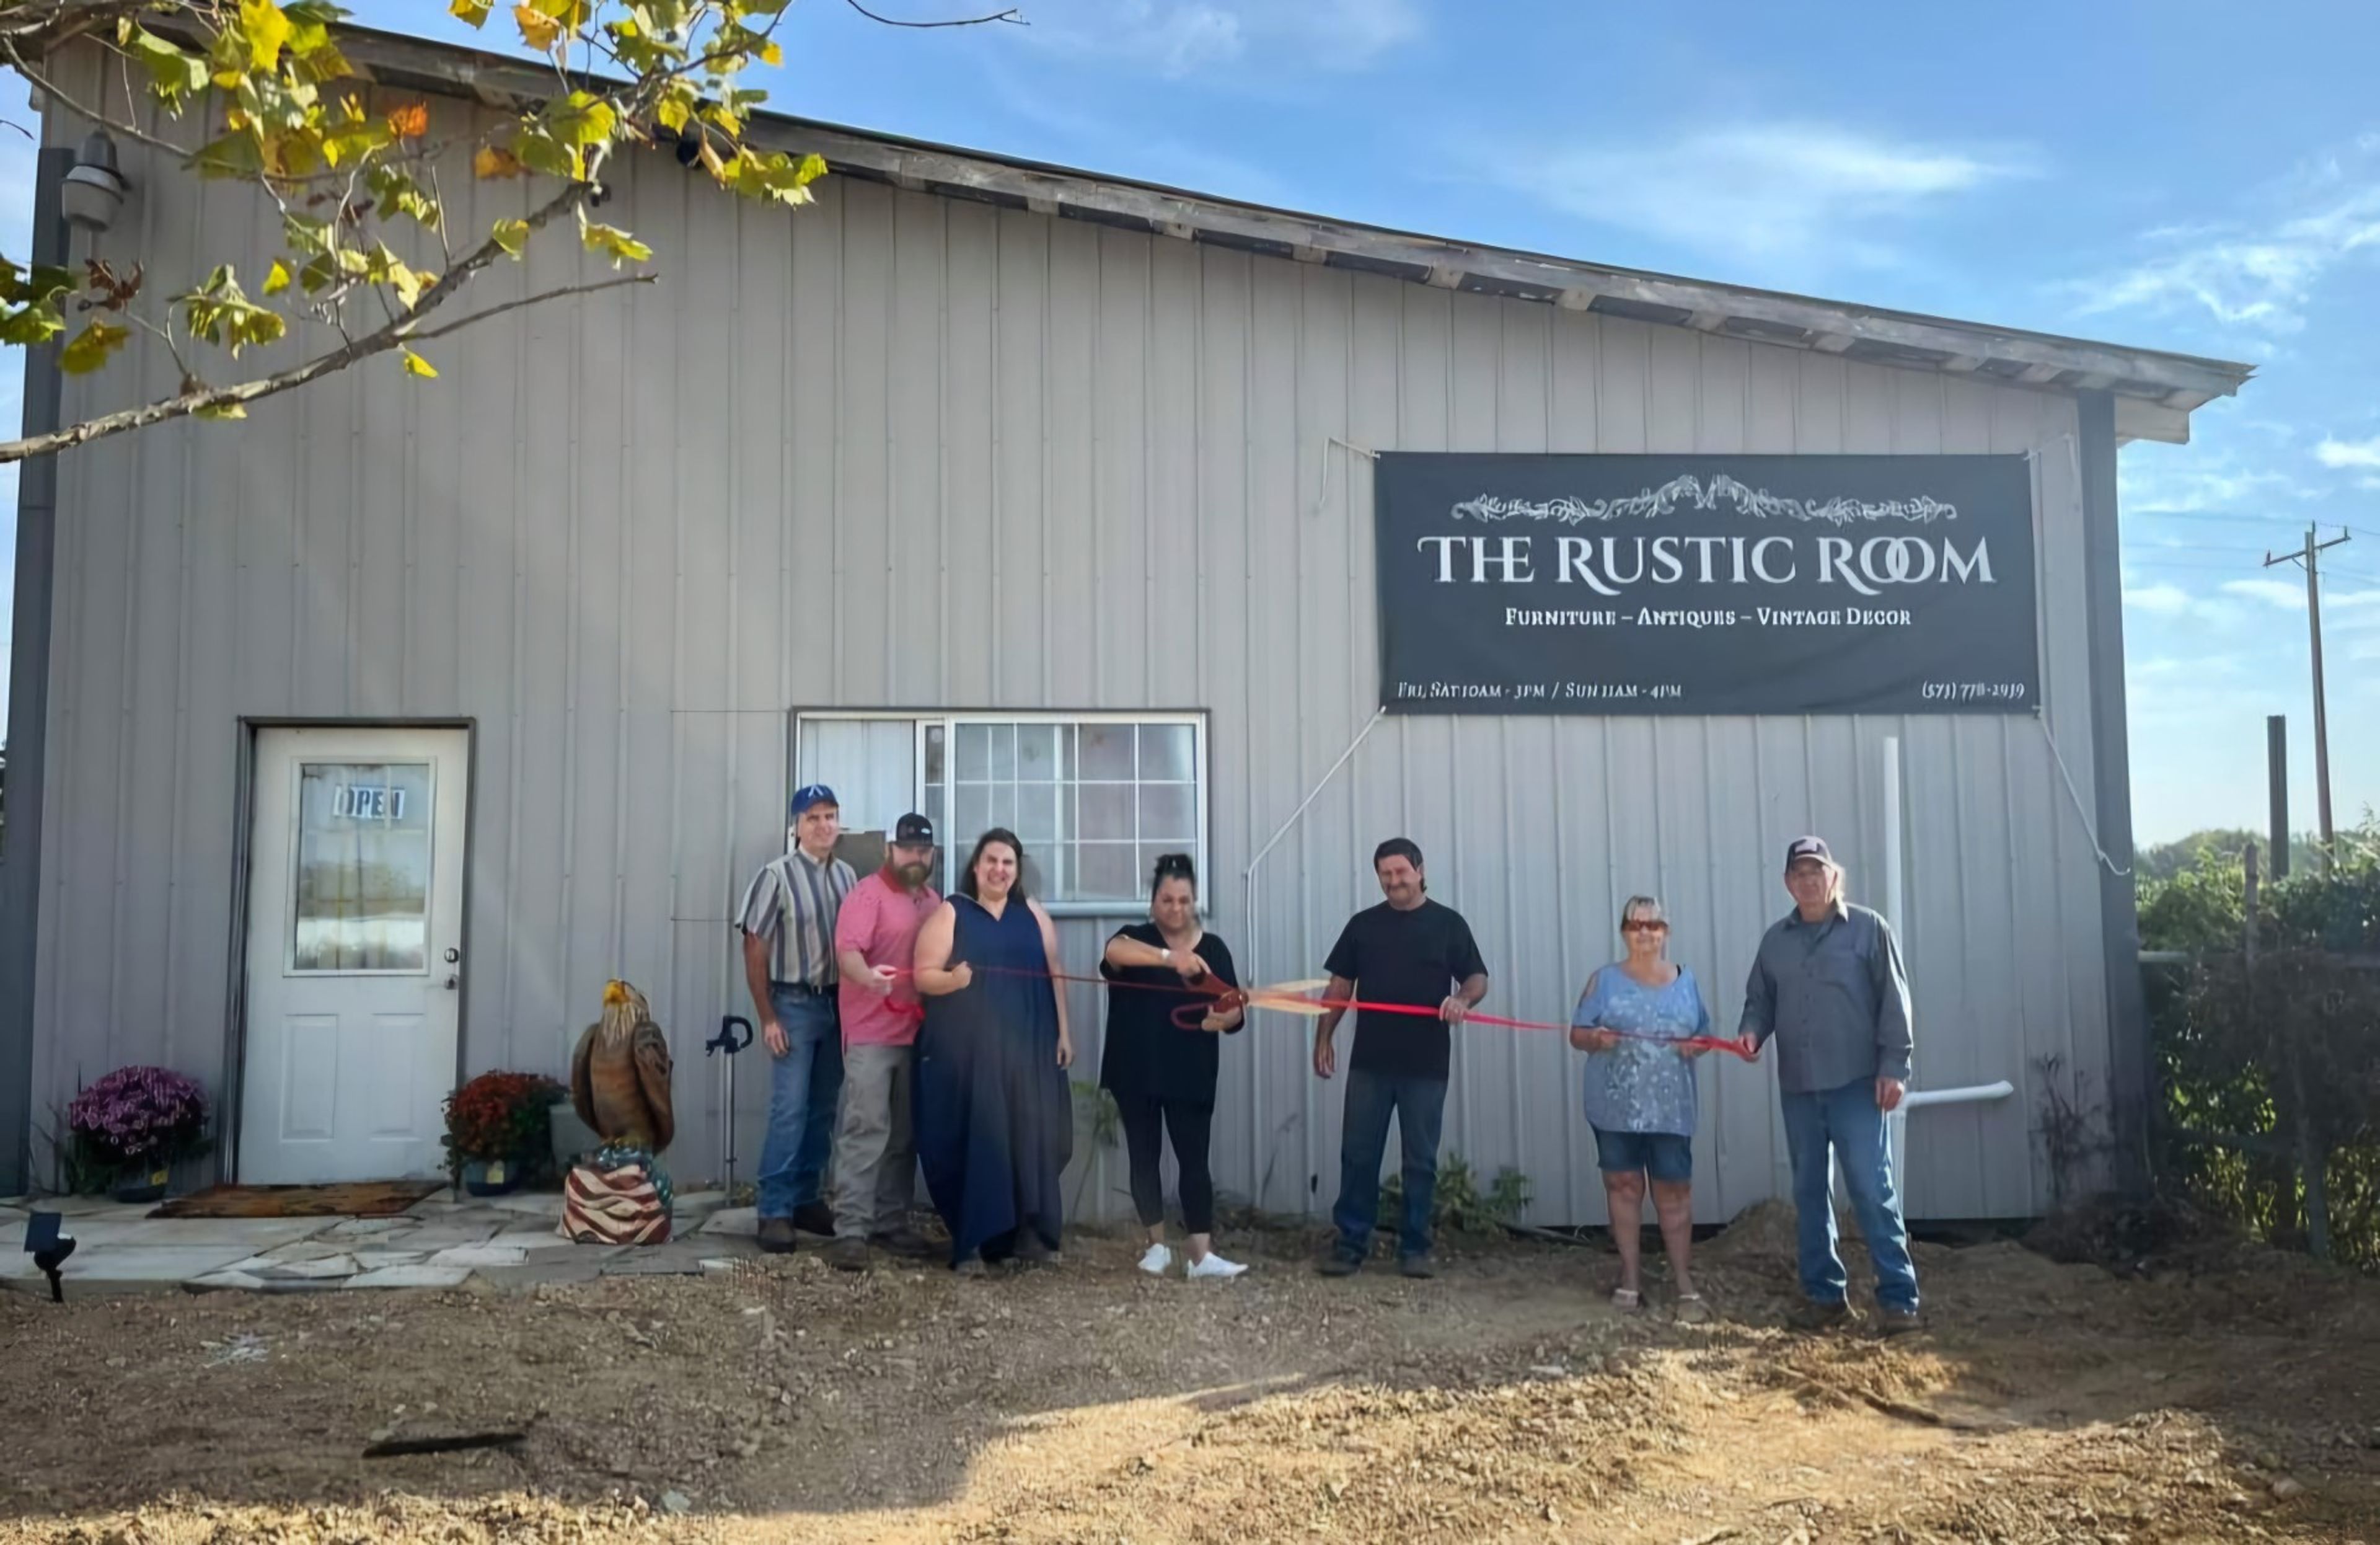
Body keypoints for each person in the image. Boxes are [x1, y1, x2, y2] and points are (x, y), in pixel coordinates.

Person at [1736, 836, 1922, 1334]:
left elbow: (1894, 1004)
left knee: (1871, 1187)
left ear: (1833, 876)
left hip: (1858, 1084)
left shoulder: (1868, 930)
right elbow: (1760, 1000)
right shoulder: (1775, 941)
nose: (1809, 880)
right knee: (1809, 1191)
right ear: (1787, 883)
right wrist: (1751, 1032)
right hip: (1798, 1087)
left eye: (1817, 871)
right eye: (1799, 873)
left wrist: (1895, 1068)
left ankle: (1899, 1299)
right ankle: (1824, 1297)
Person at [1312, 837, 1489, 1279]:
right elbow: (1338, 988)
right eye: (1386, 875)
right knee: (1358, 1156)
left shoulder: (1449, 924)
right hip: (1369, 1063)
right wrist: (1324, 1038)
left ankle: (1415, 1248)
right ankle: (1351, 1244)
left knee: (1420, 1161)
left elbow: (1477, 977)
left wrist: (1462, 1000)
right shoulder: (1363, 926)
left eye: (1401, 872)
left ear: (1420, 870)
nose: (1394, 882)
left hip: (1425, 1066)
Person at [911, 828, 1075, 1275]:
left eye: (1008, 863)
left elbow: (1055, 972)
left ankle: (1031, 1235)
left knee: (1031, 1138)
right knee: (982, 1140)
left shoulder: (1033, 914)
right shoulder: (953, 912)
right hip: (972, 1053)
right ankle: (973, 1245)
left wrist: (1064, 1031)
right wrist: (953, 981)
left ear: (1017, 871)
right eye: (991, 861)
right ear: (976, 867)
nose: (999, 870)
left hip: (1029, 1047)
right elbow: (922, 974)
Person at [1100, 853, 1248, 1280]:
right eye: (1167, 900)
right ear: (1153, 902)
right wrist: (1171, 958)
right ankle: (1156, 1247)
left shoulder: (1214, 949)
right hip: (1136, 1069)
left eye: (1184, 900)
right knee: (1144, 1157)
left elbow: (1235, 1008)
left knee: (1194, 1160)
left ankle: (1201, 1254)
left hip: (1191, 1071)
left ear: (1195, 901)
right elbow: (1113, 952)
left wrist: (1226, 1018)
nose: (1176, 908)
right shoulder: (1135, 938)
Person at [1570, 895, 1716, 1322]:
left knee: (1674, 1192)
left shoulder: (1686, 981)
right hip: (1615, 1108)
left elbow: (1705, 1035)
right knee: (1624, 1187)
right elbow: (1577, 1034)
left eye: (1653, 925)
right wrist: (1595, 1039)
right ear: (1624, 932)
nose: (1645, 933)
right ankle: (1630, 1276)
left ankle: (1684, 1282)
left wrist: (1697, 1047)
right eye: (1636, 925)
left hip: (1671, 1110)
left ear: (1666, 932)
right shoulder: (1603, 981)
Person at [734, 784, 854, 1255]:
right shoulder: (776, 876)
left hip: (837, 1005)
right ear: (796, 826)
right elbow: (753, 944)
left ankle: (807, 1198)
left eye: (830, 816)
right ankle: (775, 1209)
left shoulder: (848, 876)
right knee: (790, 1108)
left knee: (824, 1107)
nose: (824, 825)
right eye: (813, 818)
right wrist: (767, 1016)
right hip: (793, 1005)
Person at [824, 812, 943, 1271]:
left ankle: (892, 1223)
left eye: (923, 850)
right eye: (907, 848)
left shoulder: (933, 902)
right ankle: (851, 1231)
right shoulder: (866, 895)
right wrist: (867, 977)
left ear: (931, 854)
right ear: (889, 851)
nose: (915, 856)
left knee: (904, 1136)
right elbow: (847, 953)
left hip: (916, 1036)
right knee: (866, 1131)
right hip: (872, 1036)